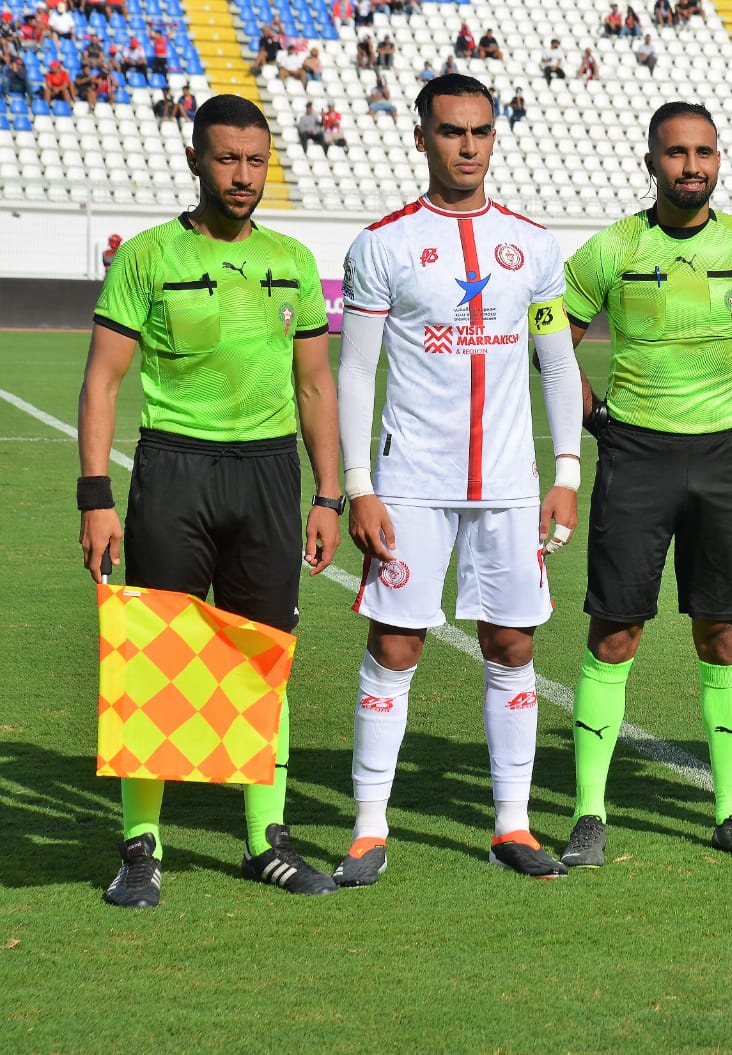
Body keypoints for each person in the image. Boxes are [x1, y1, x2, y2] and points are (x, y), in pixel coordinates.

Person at [78, 94, 342, 908]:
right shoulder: (147, 257)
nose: (243, 175)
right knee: (157, 659)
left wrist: (329, 494)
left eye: (256, 160)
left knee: (265, 656)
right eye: (227, 159)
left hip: (268, 475)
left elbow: (314, 384)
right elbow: (103, 380)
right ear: (195, 159)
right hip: (175, 471)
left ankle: (266, 839)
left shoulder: (294, 260)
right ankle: (142, 847)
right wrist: (95, 495)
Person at [333, 73, 584, 886]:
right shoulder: (383, 245)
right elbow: (355, 371)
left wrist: (567, 471)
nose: (467, 146)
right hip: (410, 482)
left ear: (493, 137)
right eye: (450, 131)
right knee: (396, 643)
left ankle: (512, 823)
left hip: (510, 484)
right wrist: (359, 484)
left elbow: (558, 364)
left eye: (479, 131)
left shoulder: (533, 246)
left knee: (512, 643)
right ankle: (369, 828)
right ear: (422, 138)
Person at [557, 101, 732, 869]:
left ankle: (731, 813)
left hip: (724, 459)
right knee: (615, 630)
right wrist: (596, 417)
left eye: (704, 152)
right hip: (637, 456)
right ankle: (589, 814)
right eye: (676, 153)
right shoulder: (614, 247)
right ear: (652, 161)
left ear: (718, 159)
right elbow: (551, 337)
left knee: (724, 632)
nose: (692, 165)